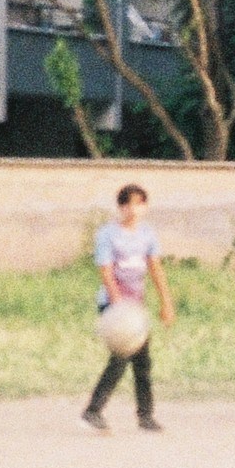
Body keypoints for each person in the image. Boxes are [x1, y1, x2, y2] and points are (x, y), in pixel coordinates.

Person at [83, 183, 172, 433]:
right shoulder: (107, 234)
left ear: (145, 207)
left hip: (136, 307)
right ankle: (93, 411)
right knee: (121, 360)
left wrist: (166, 302)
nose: (133, 210)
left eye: (139, 204)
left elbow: (155, 268)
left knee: (143, 363)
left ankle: (145, 416)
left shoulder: (147, 234)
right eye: (128, 204)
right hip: (114, 307)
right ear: (120, 207)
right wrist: (118, 305)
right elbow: (106, 271)